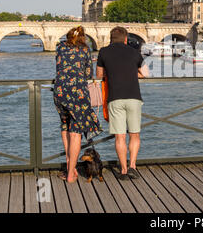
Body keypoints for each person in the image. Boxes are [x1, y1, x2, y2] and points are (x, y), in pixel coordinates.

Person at [96, 26, 149, 180]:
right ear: (126, 39)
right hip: (133, 97)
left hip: (115, 98)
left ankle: (123, 169)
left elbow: (99, 75)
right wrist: (132, 73)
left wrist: (112, 73)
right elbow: (145, 73)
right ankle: (133, 166)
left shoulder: (103, 52)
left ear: (110, 39)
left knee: (120, 137)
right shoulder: (134, 52)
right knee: (134, 134)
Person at [53, 26, 102, 183]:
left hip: (60, 91)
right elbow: (88, 74)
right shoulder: (85, 50)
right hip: (77, 93)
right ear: (83, 38)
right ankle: (70, 175)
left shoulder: (60, 47)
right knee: (75, 133)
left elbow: (59, 66)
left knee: (65, 126)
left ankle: (70, 166)